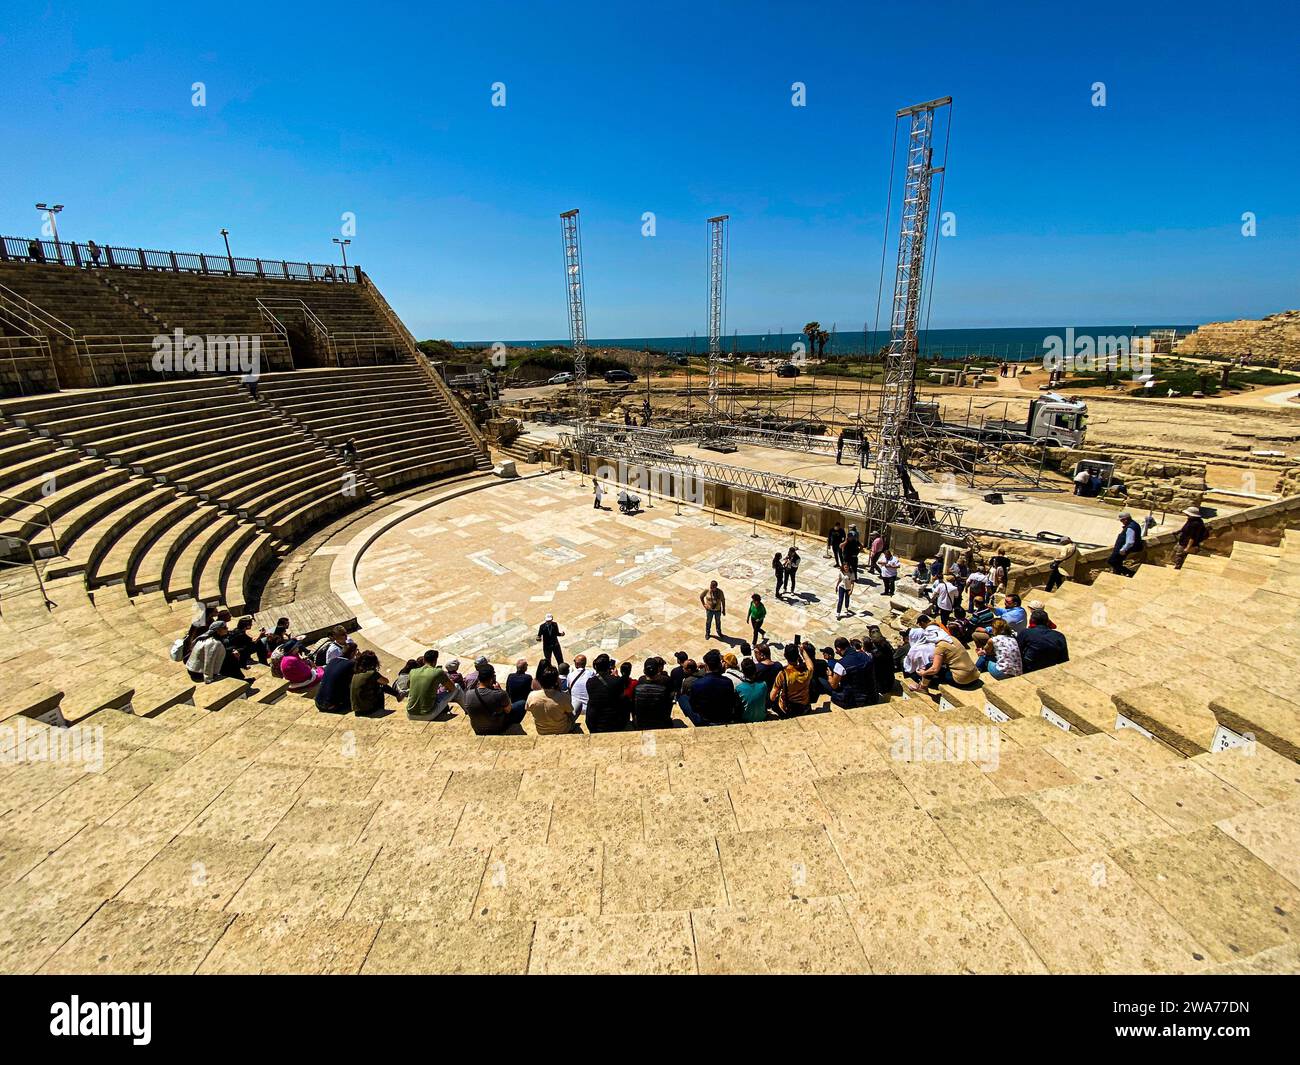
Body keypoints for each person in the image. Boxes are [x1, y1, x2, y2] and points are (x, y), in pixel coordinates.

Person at [462, 663, 526, 734]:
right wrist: (500, 690)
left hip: (478, 729)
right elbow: (508, 710)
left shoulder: (468, 694)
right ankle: (511, 727)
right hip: (497, 728)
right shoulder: (500, 694)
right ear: (492, 679)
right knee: (522, 703)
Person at [910, 632, 980, 694]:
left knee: (929, 666)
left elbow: (934, 669)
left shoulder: (940, 646)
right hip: (975, 676)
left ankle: (923, 688)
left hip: (962, 680)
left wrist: (923, 673)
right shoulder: (952, 638)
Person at [684, 649, 739, 726]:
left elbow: (694, 706)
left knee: (682, 698)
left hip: (705, 719)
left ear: (706, 666)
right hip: (723, 717)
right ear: (720, 665)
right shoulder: (728, 682)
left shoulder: (697, 684)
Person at [526, 665, 578, 734]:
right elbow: (570, 714)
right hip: (562, 730)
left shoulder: (531, 695)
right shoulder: (563, 696)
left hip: (541, 730)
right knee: (578, 703)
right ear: (556, 681)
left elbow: (528, 709)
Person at [583, 654, 628, 733]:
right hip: (615, 723)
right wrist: (616, 677)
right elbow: (620, 695)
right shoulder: (616, 681)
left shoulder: (590, 682)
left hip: (595, 724)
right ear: (608, 667)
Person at [407, 649, 457, 720]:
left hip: (410, 714)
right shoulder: (438, 672)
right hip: (428, 714)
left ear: (424, 660)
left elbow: (409, 686)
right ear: (435, 661)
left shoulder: (413, 671)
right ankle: (468, 711)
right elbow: (452, 688)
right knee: (457, 686)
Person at [829, 636, 877, 708]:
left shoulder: (841, 664)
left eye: (837, 650)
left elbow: (833, 685)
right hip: (872, 697)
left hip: (854, 701)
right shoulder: (866, 655)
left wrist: (829, 675)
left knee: (833, 694)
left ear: (838, 649)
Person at [770, 642, 815, 718]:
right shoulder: (806, 672)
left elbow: (772, 697)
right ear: (798, 656)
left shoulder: (783, 674)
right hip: (804, 708)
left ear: (785, 656)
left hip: (788, 709)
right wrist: (803, 651)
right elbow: (810, 665)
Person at [350, 650, 398, 716]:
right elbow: (386, 681)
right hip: (368, 710)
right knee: (381, 686)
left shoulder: (356, 672)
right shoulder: (372, 673)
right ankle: (395, 697)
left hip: (356, 709)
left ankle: (397, 695)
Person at [632, 657, 674, 729]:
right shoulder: (663, 688)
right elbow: (668, 705)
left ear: (644, 671)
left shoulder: (639, 684)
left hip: (642, 723)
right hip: (660, 722)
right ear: (658, 670)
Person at [315, 642, 357, 713]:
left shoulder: (333, 660)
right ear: (353, 653)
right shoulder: (351, 664)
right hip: (331, 706)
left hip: (318, 702)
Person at [1108, 511, 1144, 576]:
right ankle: (1118, 574)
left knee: (1112, 561)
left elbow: (1130, 542)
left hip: (1123, 549)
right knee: (1118, 562)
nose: (1121, 522)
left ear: (1126, 519)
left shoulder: (1130, 528)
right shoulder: (1134, 524)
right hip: (1123, 548)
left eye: (1121, 520)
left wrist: (1123, 549)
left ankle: (1130, 573)